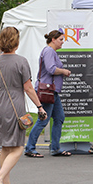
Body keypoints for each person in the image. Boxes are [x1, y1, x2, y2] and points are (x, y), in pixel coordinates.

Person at [0, 27, 47, 184]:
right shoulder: (21, 61)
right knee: (18, 147)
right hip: (15, 105)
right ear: (16, 41)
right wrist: (39, 106)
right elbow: (28, 87)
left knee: (6, 146)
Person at [23, 30, 72, 158]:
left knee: (59, 117)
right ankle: (30, 147)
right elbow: (51, 69)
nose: (62, 42)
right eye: (61, 39)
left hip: (51, 91)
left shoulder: (49, 51)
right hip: (48, 91)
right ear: (53, 40)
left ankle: (55, 148)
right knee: (43, 120)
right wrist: (64, 71)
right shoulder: (49, 51)